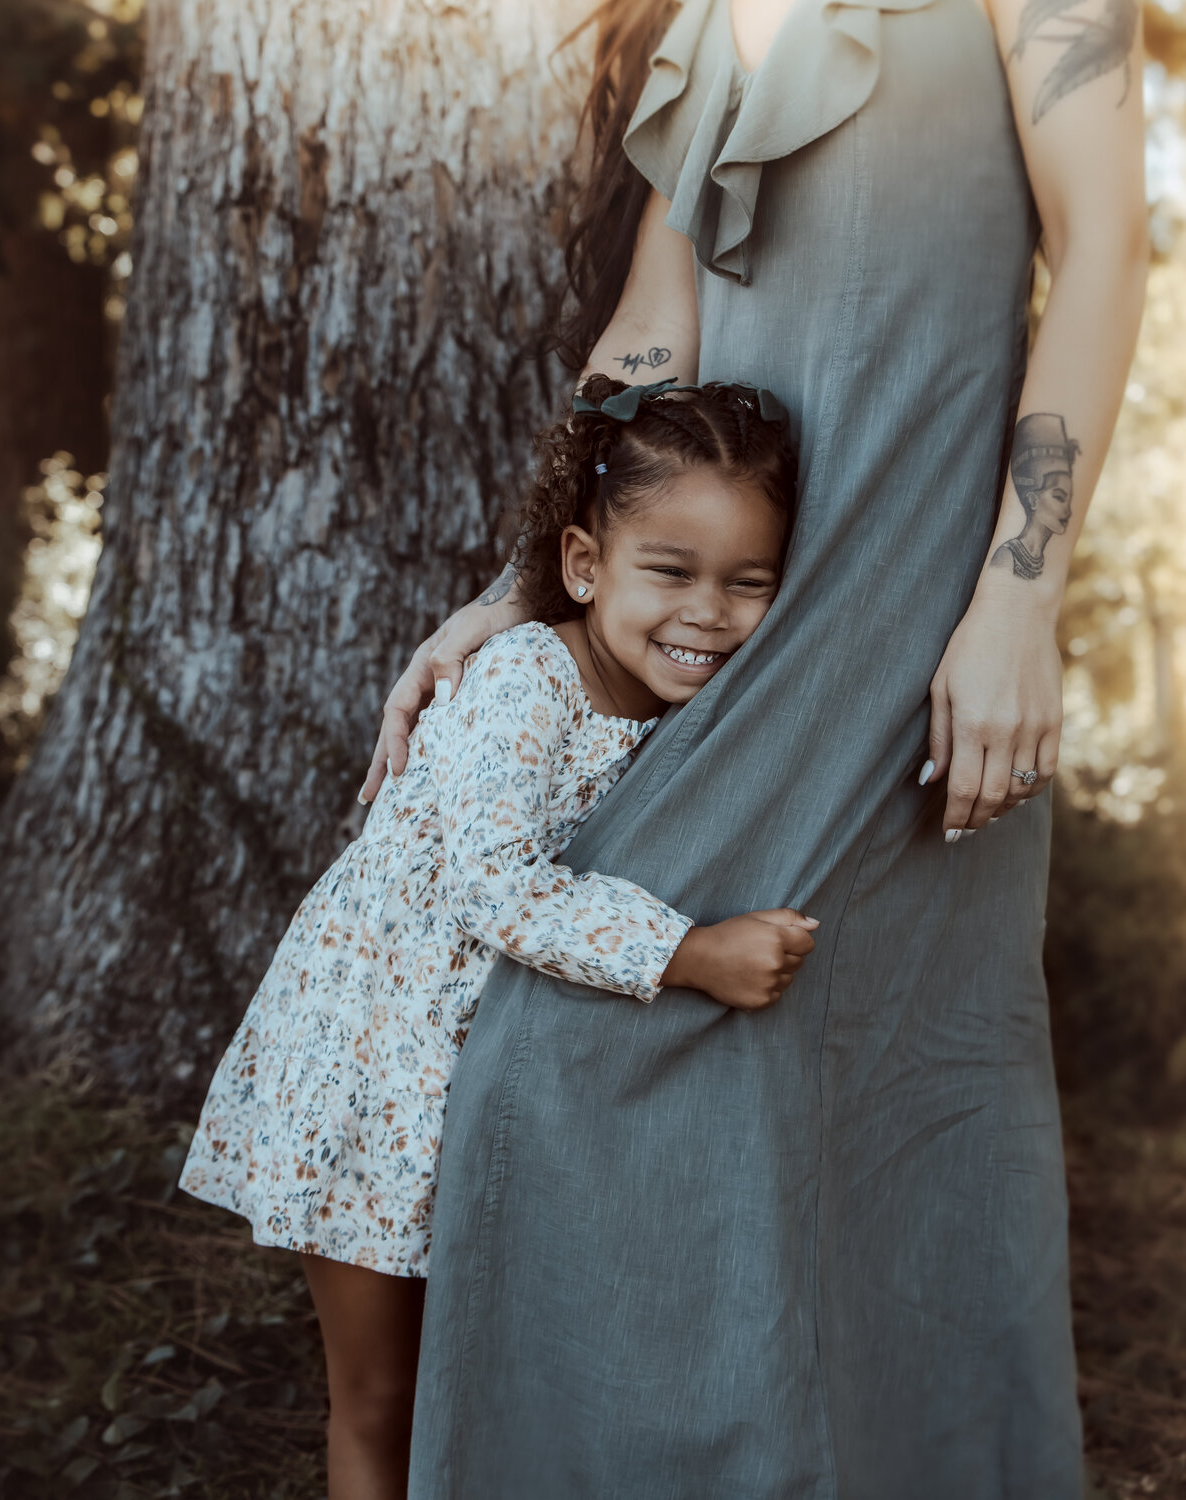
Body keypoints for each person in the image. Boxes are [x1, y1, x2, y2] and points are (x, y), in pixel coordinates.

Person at [367, 0, 1149, 1494]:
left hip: (912, 627)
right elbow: (657, 335)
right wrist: (517, 589)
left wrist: (1016, 605)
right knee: (573, 1058)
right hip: (734, 626)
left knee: (899, 1096)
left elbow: (1110, 245)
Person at [178, 375, 817, 1500]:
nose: (708, 612)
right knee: (383, 1396)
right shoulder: (529, 679)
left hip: (491, 1084)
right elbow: (494, 885)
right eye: (669, 572)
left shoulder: (682, 718)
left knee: (477, 1377)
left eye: (746, 582)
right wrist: (693, 954)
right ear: (582, 566)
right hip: (377, 1075)